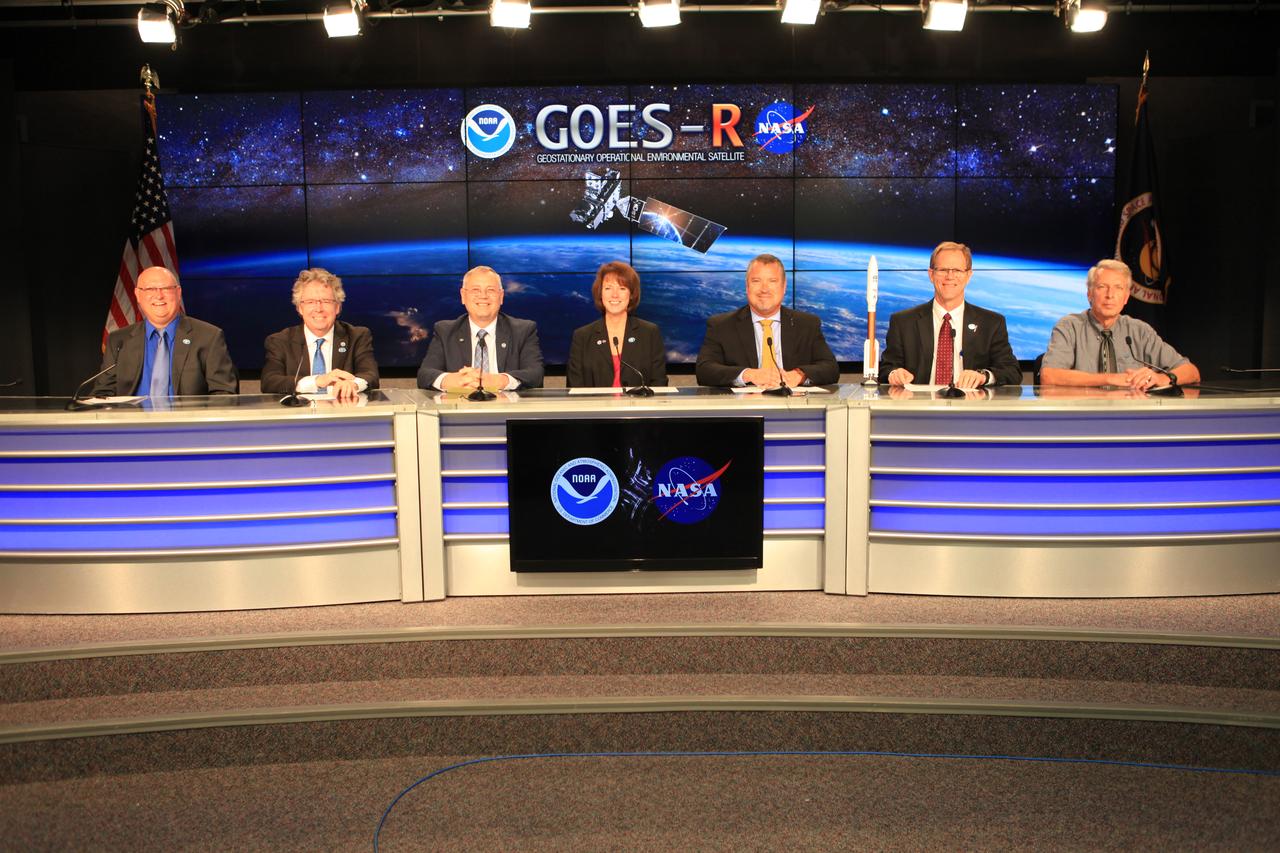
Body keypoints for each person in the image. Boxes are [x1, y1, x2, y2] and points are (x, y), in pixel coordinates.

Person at [1040, 259, 1200, 390]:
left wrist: (1160, 378)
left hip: (1131, 418)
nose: (1110, 295)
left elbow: (1191, 372)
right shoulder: (1069, 327)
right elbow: (1049, 376)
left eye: (1118, 288)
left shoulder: (1139, 331)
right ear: (1089, 294)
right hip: (1084, 417)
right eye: (1102, 287)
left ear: (1126, 297)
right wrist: (1110, 378)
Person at [880, 241, 1021, 388]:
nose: (950, 276)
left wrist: (983, 376)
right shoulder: (903, 322)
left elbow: (1012, 372)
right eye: (943, 270)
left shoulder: (991, 323)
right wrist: (894, 374)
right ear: (931, 275)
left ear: (968, 275)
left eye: (958, 271)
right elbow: (885, 369)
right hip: (919, 407)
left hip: (971, 407)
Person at [695, 253, 839, 388]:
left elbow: (831, 369)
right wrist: (749, 374)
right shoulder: (721, 325)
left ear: (784, 287)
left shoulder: (807, 324)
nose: (764, 289)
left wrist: (798, 375)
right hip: (743, 407)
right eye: (756, 281)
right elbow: (704, 371)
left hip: (794, 406)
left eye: (772, 281)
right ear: (747, 287)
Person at [95, 266, 238, 396]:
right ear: (138, 295)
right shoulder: (119, 340)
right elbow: (103, 393)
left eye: (166, 288)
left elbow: (224, 392)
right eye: (150, 289)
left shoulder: (208, 337)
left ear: (178, 292)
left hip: (187, 423)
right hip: (133, 423)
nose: (159, 295)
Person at [417, 265, 544, 392]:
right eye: (475, 290)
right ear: (463, 295)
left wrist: (498, 380)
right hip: (459, 408)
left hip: (507, 410)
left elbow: (535, 375)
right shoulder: (445, 331)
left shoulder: (523, 330)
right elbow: (424, 375)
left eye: (490, 290)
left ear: (501, 296)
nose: (483, 296)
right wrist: (452, 380)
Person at [261, 268, 379, 403]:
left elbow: (371, 375)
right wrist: (317, 381)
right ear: (300, 308)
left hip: (343, 416)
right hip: (297, 419)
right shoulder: (280, 341)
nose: (319, 308)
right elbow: (269, 382)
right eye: (310, 302)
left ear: (338, 307)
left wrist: (353, 384)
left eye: (326, 301)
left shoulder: (357, 336)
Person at [566, 261, 667, 389]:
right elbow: (574, 388)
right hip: (594, 408)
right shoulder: (582, 336)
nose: (614, 294)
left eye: (622, 288)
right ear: (600, 293)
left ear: (631, 294)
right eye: (608, 288)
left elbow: (659, 383)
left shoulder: (649, 333)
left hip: (638, 408)